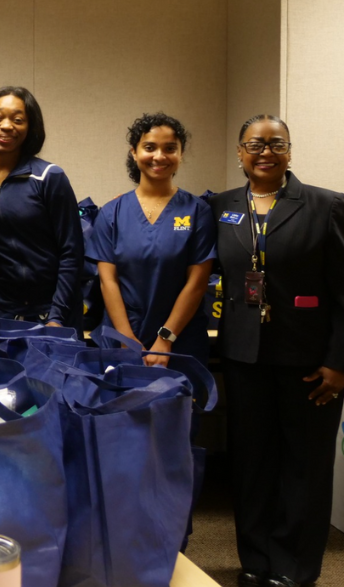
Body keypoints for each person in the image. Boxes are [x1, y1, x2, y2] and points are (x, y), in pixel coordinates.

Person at [209, 115, 344, 587]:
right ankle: (256, 561)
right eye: (254, 144)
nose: (265, 151)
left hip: (310, 362)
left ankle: (293, 569)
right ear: (239, 153)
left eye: (276, 143)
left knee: (304, 468)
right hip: (246, 358)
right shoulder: (223, 207)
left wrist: (338, 362)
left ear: (290, 151)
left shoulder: (326, 206)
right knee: (251, 464)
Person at [87, 112, 215, 364]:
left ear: (180, 155)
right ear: (134, 152)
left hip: (180, 340)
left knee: (179, 403)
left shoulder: (197, 211)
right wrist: (126, 339)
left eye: (170, 148)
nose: (159, 156)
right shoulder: (112, 213)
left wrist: (166, 338)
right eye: (149, 147)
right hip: (122, 340)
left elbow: (197, 284)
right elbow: (108, 281)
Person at [0, 87, 84, 327]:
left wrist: (57, 316)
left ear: (30, 127)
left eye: (17, 120)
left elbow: (72, 253)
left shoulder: (48, 177)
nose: (6, 126)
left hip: (52, 314)